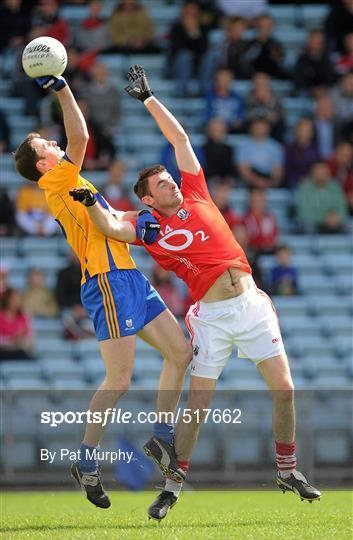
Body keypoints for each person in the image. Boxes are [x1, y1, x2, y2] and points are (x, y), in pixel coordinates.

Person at [73, 64, 321, 520]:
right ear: (147, 198)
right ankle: (171, 486)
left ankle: (287, 468)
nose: (170, 182)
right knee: (199, 406)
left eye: (169, 178)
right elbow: (110, 225)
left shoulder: (197, 194)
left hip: (252, 305)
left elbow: (181, 140)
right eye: (160, 183)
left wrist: (149, 99)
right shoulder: (147, 228)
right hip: (211, 315)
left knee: (285, 390)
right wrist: (92, 203)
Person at [14, 73, 191, 509]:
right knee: (120, 379)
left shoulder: (76, 183)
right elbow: (80, 133)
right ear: (42, 165)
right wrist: (61, 87)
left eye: (52, 145)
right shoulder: (55, 181)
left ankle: (163, 436)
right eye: (47, 148)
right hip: (106, 282)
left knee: (181, 353)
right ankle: (86, 461)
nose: (55, 146)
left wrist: (152, 214)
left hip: (129, 277)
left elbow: (114, 215)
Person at [297, 160, 348, 234]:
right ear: (312, 172)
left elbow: (342, 208)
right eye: (318, 170)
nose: (320, 173)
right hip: (314, 224)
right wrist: (324, 218)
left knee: (347, 225)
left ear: (328, 172)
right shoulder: (305, 188)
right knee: (307, 226)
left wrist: (336, 217)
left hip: (334, 223)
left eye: (323, 170)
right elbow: (304, 213)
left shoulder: (335, 187)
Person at [238, 117, 284, 188]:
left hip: (268, 180)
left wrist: (271, 183)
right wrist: (258, 182)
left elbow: (278, 172)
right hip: (249, 183)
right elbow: (244, 171)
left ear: (268, 128)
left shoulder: (275, 146)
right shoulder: (244, 145)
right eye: (257, 126)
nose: (259, 129)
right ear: (252, 127)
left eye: (262, 126)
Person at [294, 30, 335, 94]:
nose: (316, 44)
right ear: (309, 42)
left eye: (319, 41)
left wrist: (323, 89)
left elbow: (331, 79)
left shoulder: (328, 60)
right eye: (314, 40)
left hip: (325, 94)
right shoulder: (302, 60)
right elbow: (298, 80)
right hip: (306, 94)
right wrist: (312, 90)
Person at [204, 68, 245, 134]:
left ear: (231, 80)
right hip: (214, 129)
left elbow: (240, 118)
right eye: (221, 79)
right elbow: (207, 117)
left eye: (226, 79)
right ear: (216, 80)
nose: (223, 82)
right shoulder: (209, 97)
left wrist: (227, 124)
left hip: (233, 129)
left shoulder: (237, 98)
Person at [284, 117, 320, 189]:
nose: (303, 133)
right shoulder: (289, 149)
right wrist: (298, 179)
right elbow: (287, 170)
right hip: (294, 183)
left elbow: (317, 168)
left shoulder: (315, 150)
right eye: (301, 130)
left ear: (311, 133)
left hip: (312, 182)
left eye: (307, 131)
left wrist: (309, 179)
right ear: (296, 131)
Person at [0, 287, 34, 361]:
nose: (17, 302)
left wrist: (21, 341)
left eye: (19, 299)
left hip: (19, 351)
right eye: (14, 299)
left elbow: (30, 340)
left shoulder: (24, 317)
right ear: (7, 300)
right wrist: (12, 339)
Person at [243, 188, 278, 254]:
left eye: (260, 200)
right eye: (255, 200)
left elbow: (273, 238)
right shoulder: (245, 218)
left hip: (268, 252)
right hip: (251, 252)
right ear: (250, 201)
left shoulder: (270, 218)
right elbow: (246, 239)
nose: (258, 203)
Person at [202, 118, 236, 184]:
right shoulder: (203, 149)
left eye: (220, 130)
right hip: (208, 182)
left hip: (224, 184)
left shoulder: (228, 149)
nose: (217, 132)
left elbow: (230, 169)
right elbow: (204, 169)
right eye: (215, 130)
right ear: (209, 131)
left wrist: (228, 178)